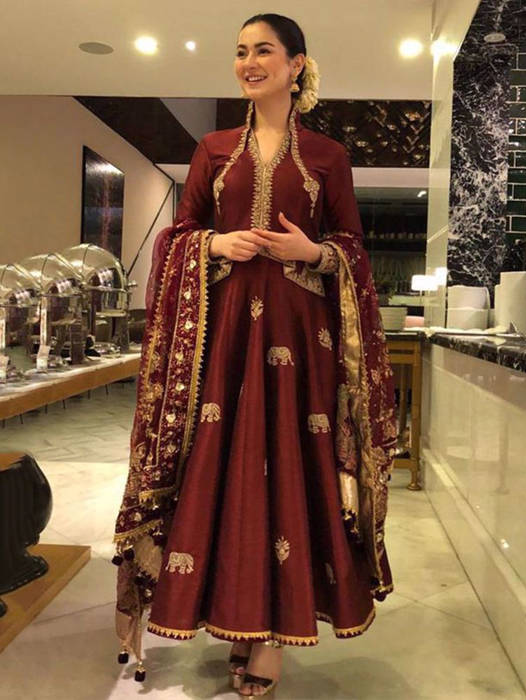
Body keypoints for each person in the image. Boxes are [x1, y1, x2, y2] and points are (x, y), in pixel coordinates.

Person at [112, 12, 397, 698]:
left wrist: (313, 252)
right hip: (227, 342)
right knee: (228, 468)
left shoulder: (328, 156)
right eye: (241, 52)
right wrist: (213, 244)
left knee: (292, 470)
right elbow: (178, 236)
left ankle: (270, 639)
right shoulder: (212, 149)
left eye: (263, 50)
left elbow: (354, 251)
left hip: (301, 344)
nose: (248, 62)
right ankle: (238, 619)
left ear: (297, 65)